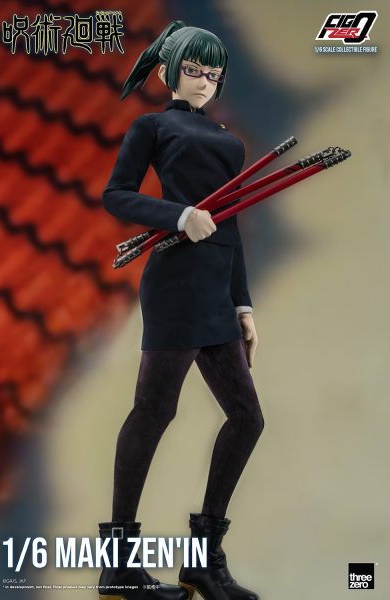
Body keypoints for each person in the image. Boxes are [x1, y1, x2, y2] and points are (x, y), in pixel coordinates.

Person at [98, 20, 264, 600]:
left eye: (213, 73)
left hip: (217, 291)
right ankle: (119, 565)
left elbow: (231, 226)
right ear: (170, 71)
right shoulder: (152, 126)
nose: (203, 81)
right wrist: (179, 216)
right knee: (154, 412)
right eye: (193, 69)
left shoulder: (229, 143)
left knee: (247, 418)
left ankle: (203, 560)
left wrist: (243, 303)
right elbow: (116, 194)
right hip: (173, 285)